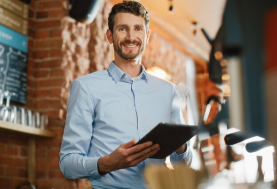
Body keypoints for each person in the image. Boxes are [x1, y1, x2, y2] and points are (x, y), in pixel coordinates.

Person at [59, 1, 192, 188]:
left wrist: (181, 147)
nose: (131, 37)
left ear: (147, 36)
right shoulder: (85, 87)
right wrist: (107, 163)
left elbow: (184, 165)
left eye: (138, 29)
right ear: (109, 36)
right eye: (122, 29)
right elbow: (67, 164)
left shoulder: (167, 91)